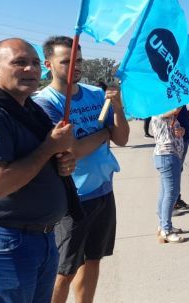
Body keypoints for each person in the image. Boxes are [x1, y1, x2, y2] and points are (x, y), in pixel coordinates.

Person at [0, 38, 81, 302]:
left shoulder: (27, 108)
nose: (31, 69)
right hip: (9, 240)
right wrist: (48, 149)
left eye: (35, 63)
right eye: (19, 62)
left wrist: (62, 163)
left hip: (40, 236)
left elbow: (41, 158)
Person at [32, 36, 130, 303]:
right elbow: (71, 149)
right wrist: (103, 133)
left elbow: (121, 138)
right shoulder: (44, 102)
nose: (74, 66)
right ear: (48, 64)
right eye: (66, 61)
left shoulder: (97, 95)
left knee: (94, 260)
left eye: (79, 60)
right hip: (71, 199)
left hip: (103, 191)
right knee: (63, 270)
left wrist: (118, 109)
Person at [151, 108, 186, 243]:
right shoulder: (159, 112)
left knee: (166, 192)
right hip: (166, 156)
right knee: (172, 193)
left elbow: (174, 131)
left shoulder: (170, 116)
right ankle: (166, 230)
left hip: (171, 156)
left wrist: (181, 131)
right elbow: (176, 108)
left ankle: (163, 225)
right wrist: (187, 95)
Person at [173, 102, 189, 213]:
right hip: (177, 140)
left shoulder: (180, 101)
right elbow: (174, 112)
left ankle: (176, 200)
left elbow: (188, 112)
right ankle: (173, 203)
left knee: (178, 170)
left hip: (185, 138)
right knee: (174, 172)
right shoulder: (173, 100)